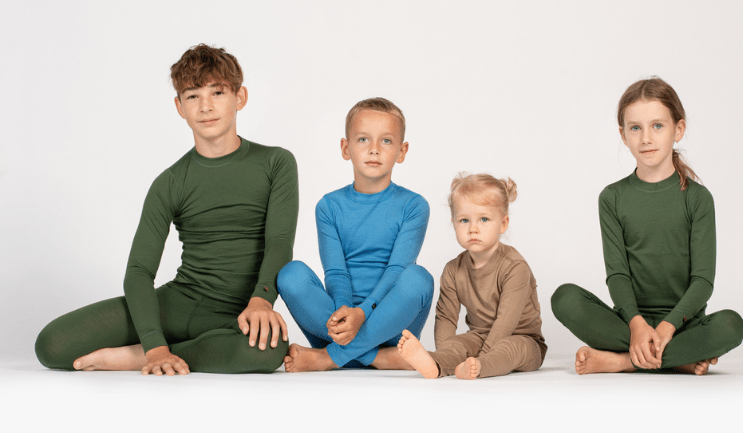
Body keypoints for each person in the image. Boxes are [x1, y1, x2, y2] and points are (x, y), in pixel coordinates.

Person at [35, 44, 298, 375]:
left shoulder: (276, 163)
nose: (205, 106)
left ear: (239, 97)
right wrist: (154, 343)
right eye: (192, 96)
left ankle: (134, 357)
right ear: (179, 107)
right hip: (178, 305)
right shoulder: (170, 182)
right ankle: (165, 349)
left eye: (217, 92)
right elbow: (139, 272)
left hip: (241, 311)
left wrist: (261, 300)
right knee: (51, 345)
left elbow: (279, 242)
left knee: (269, 351)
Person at [550, 77, 743, 375]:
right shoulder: (612, 197)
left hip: (682, 325)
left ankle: (622, 361)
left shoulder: (698, 198)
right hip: (629, 324)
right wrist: (637, 324)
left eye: (657, 126)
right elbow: (617, 274)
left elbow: (703, 280)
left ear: (678, 129)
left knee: (731, 325)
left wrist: (668, 326)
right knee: (564, 298)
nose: (646, 138)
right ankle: (677, 358)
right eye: (635, 128)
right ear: (623, 134)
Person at [277, 97, 433, 372]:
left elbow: (397, 270)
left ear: (401, 151)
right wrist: (346, 312)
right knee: (291, 274)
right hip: (337, 325)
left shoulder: (414, 205)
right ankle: (380, 358)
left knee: (419, 279)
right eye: (363, 139)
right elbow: (336, 273)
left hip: (392, 328)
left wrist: (363, 312)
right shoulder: (329, 206)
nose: (374, 149)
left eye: (386, 141)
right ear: (345, 148)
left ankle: (329, 358)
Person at [398, 173, 546, 379]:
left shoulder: (514, 267)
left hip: (523, 340)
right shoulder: (453, 269)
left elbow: (506, 322)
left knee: (509, 349)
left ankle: (480, 366)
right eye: (464, 220)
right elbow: (446, 317)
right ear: (454, 223)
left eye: (484, 219)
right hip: (479, 336)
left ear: (503, 224)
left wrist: (482, 356)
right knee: (459, 344)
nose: (473, 229)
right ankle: (435, 365)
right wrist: (446, 353)